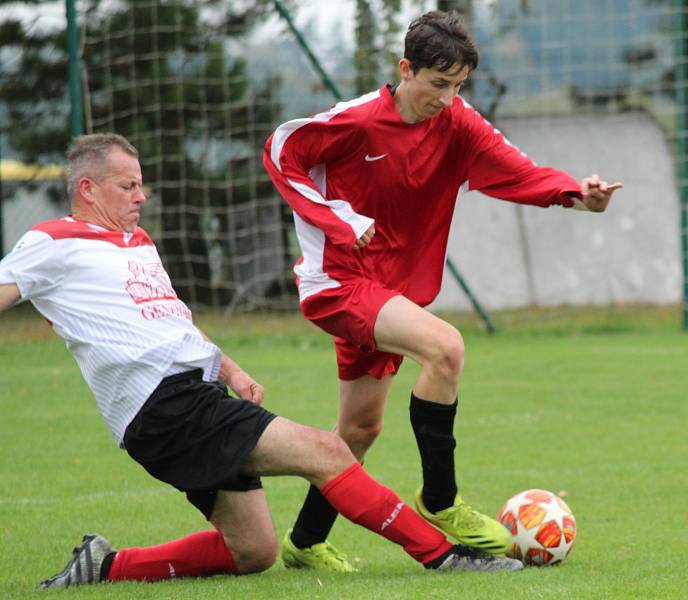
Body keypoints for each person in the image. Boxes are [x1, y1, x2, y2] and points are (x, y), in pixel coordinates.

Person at [0, 133, 524, 589]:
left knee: (251, 551)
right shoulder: (51, 241)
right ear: (87, 189)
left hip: (193, 396)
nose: (142, 195)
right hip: (162, 404)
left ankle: (106, 567)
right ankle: (444, 556)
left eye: (141, 184)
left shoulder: (137, 242)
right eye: (128, 186)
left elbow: (172, 320)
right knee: (327, 451)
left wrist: (230, 370)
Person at [262, 10, 623, 572]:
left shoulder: (457, 124)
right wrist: (338, 219)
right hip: (338, 282)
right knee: (445, 347)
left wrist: (576, 192)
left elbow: (516, 170)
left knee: (358, 430)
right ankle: (441, 501)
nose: (448, 98)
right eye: (438, 84)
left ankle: (304, 543)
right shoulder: (357, 122)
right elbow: (282, 150)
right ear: (406, 70)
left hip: (388, 293)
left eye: (458, 86)